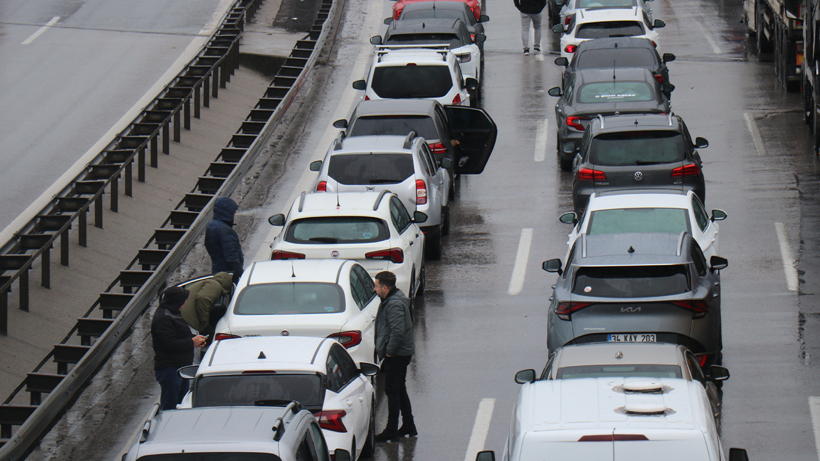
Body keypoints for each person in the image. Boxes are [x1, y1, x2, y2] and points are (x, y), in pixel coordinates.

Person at [373, 271, 417, 442]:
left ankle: (391, 429)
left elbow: (397, 332)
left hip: (397, 354)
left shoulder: (394, 304)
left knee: (392, 390)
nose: (374, 289)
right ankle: (408, 424)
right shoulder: (392, 300)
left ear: (384, 287)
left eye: (376, 286)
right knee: (399, 389)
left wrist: (389, 351)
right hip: (400, 353)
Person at [151, 286, 207, 410]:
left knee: (182, 405)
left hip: (181, 368)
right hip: (169, 369)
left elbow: (179, 335)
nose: (183, 305)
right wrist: (192, 342)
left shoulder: (173, 313)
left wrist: (196, 339)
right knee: (170, 407)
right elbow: (170, 344)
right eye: (182, 302)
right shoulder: (164, 318)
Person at [181, 272, 233, 364]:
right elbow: (203, 298)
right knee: (193, 356)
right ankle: (193, 375)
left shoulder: (209, 283)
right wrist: (204, 322)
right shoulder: (215, 285)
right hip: (189, 321)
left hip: (183, 319)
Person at [205, 197, 244, 284]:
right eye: (233, 211)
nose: (235, 213)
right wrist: (241, 273)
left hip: (217, 269)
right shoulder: (225, 230)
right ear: (227, 212)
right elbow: (231, 256)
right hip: (228, 273)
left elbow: (208, 246)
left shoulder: (212, 225)